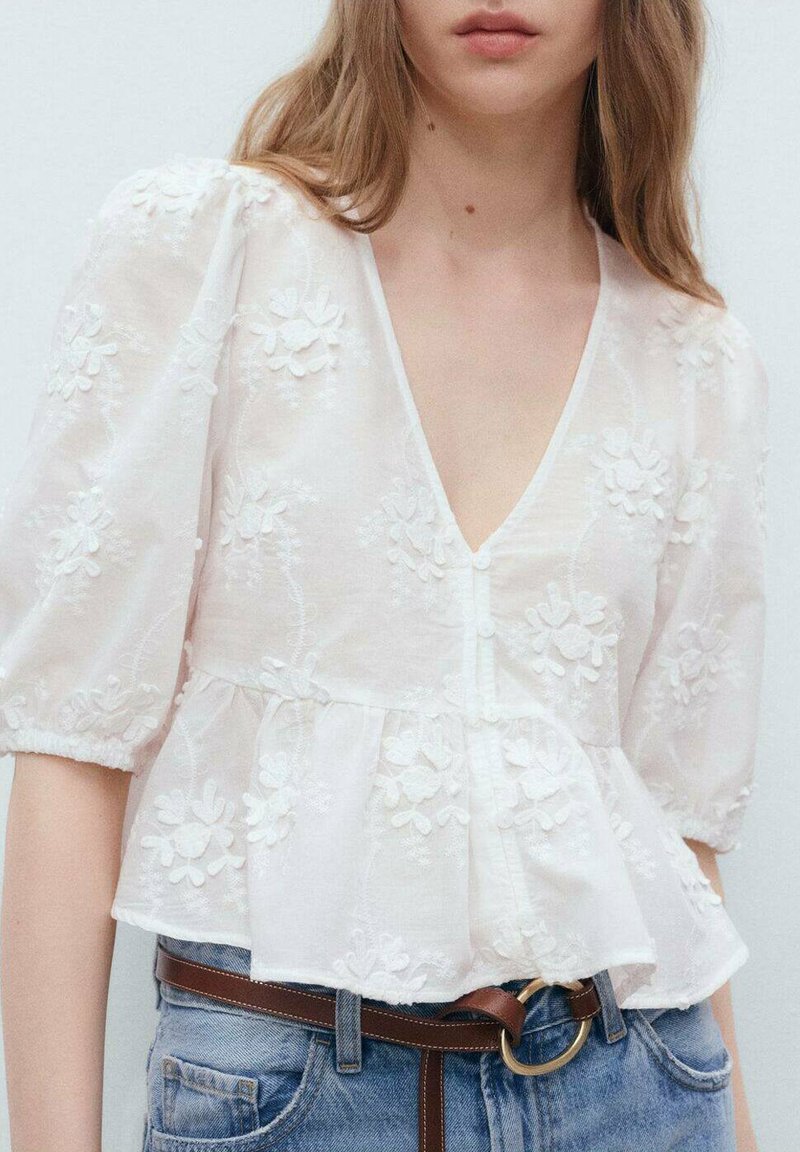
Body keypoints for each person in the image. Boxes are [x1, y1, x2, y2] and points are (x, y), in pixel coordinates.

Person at [0, 2, 769, 1150]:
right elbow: (71, 740)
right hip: (290, 1092)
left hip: (635, 1082)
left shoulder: (693, 359)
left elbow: (677, 835)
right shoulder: (209, 249)